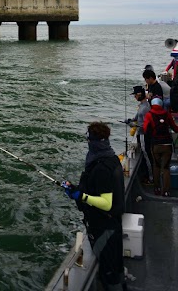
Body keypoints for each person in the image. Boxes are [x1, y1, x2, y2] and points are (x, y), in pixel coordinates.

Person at [62, 122, 126, 291]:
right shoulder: (111, 158)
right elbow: (97, 189)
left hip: (105, 227)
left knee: (110, 274)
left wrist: (80, 196)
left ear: (93, 141)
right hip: (112, 224)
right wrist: (73, 190)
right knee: (115, 268)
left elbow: (106, 204)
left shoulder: (101, 167)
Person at [143, 97, 178, 197]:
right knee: (166, 168)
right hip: (167, 145)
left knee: (156, 166)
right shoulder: (166, 114)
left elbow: (145, 129)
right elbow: (175, 128)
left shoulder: (149, 115)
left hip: (156, 145)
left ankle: (157, 188)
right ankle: (166, 191)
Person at [125, 86, 152, 184]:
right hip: (140, 135)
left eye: (135, 95)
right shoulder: (141, 105)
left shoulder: (145, 108)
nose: (134, 97)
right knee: (144, 154)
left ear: (140, 94)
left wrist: (133, 125)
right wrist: (130, 120)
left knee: (146, 155)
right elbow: (136, 117)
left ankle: (151, 177)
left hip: (144, 135)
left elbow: (146, 125)